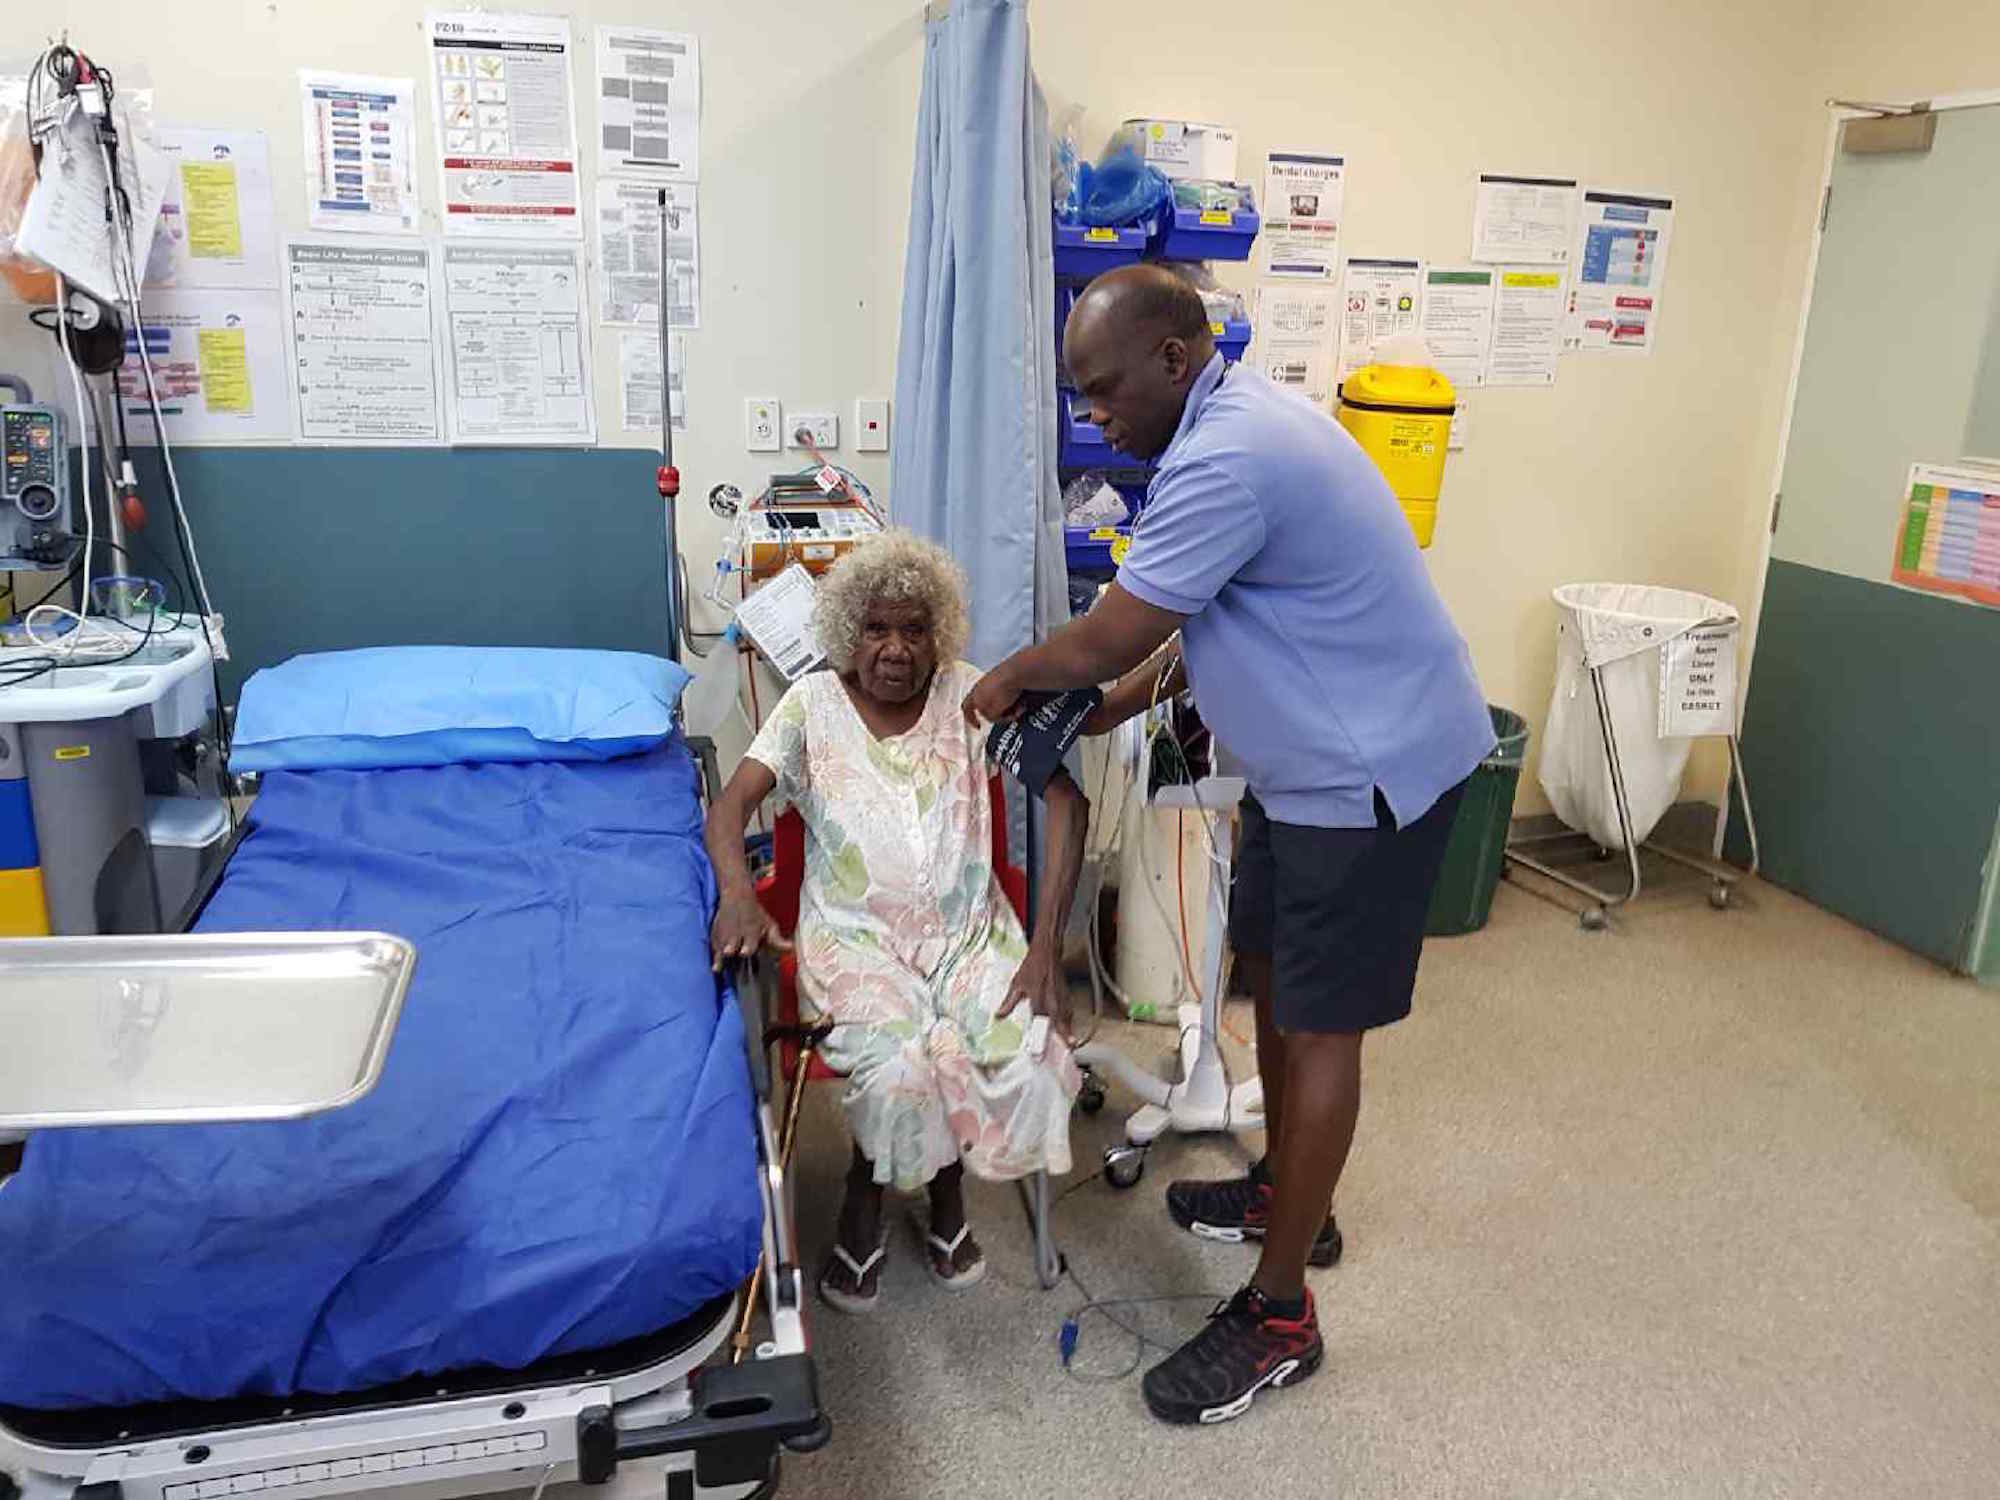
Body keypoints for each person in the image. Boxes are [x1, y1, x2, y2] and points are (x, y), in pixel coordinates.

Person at [964, 264, 1493, 1424]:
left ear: (1172, 358)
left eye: (1102, 390)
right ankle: (1286, 1192)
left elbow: (1109, 633)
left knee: (1318, 1027)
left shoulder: (1232, 453)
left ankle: (1280, 1313)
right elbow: (1196, 618)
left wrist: (1007, 681)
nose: (1093, 415)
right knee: (1267, 975)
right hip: (1301, 774)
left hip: (1367, 777)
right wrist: (1110, 706)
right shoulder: (1214, 434)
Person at [706, 530, 1087, 1314]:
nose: (895, 648)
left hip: (970, 938)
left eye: (914, 629)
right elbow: (730, 807)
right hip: (857, 945)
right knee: (900, 1069)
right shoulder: (810, 705)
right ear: (849, 630)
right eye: (876, 628)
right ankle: (872, 1194)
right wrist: (738, 892)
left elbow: (1067, 803)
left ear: (937, 634)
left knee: (1029, 1050)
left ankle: (937, 1188)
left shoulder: (971, 698)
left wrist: (1046, 948)